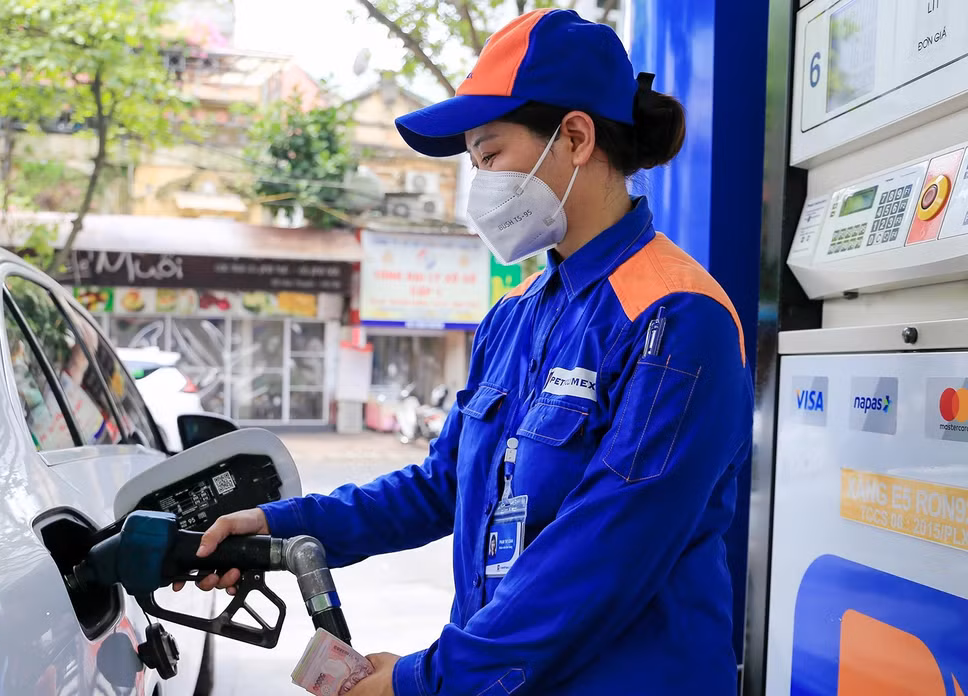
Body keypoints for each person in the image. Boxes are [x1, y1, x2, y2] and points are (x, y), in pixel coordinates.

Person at [175, 8, 753, 695]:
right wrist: (276, 526)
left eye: (489, 155)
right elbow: (441, 485)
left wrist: (424, 680)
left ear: (574, 136)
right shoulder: (516, 315)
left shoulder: (677, 316)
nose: (480, 185)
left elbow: (606, 551)